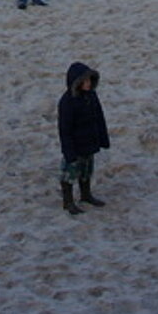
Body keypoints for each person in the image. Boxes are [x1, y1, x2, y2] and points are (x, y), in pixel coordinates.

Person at [56, 61, 110, 216]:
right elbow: (64, 130)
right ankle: (68, 201)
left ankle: (86, 195)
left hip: (89, 142)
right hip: (75, 145)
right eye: (84, 81)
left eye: (89, 80)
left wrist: (103, 139)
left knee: (86, 171)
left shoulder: (91, 96)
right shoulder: (67, 102)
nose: (88, 83)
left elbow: (99, 118)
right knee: (69, 173)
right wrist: (68, 151)